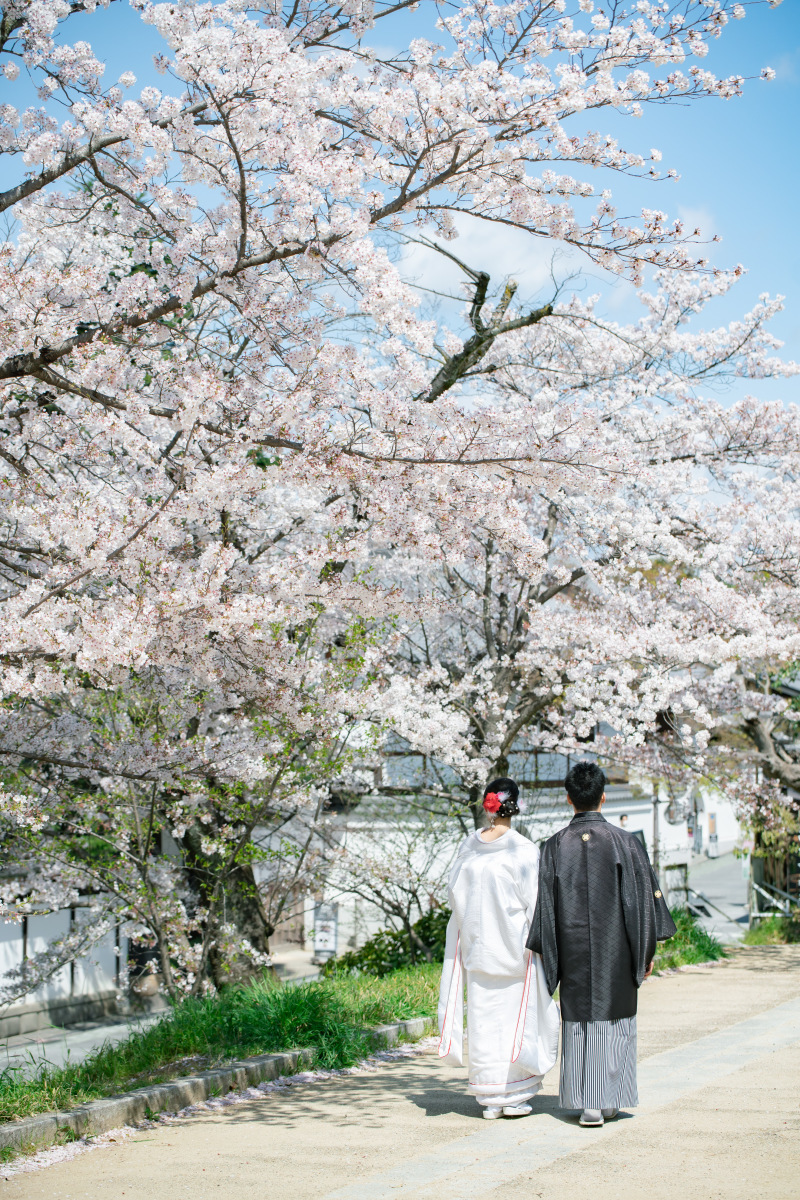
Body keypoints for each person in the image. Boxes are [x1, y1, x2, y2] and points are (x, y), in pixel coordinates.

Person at [526, 761, 676, 1127]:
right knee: (615, 1018)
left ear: (568, 799)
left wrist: (550, 954)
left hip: (572, 947)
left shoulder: (554, 845)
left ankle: (585, 1102)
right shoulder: (626, 842)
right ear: (603, 797)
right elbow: (641, 902)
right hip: (617, 948)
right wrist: (645, 950)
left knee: (579, 1019)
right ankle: (607, 1101)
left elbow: (545, 907)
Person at [438, 778, 559, 1119]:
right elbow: (536, 904)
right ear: (516, 806)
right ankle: (512, 1095)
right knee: (517, 1022)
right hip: (514, 951)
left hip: (478, 949)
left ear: (488, 804)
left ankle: (489, 1100)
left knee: (484, 1023)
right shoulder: (523, 850)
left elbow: (454, 894)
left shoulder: (469, 847)